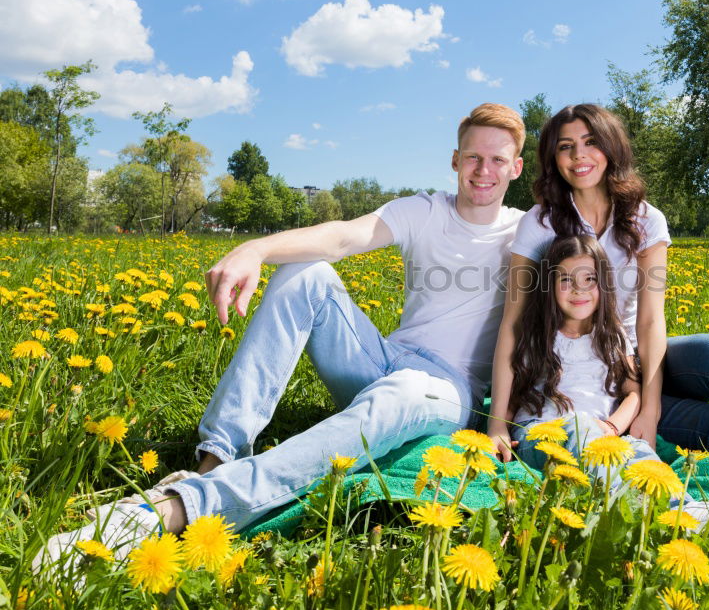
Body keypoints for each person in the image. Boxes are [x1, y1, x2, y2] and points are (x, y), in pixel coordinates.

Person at [34, 103, 527, 572]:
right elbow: (342, 236)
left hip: (446, 389)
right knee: (303, 272)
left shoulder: (527, 231)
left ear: (517, 168)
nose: (483, 170)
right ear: (455, 161)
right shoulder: (424, 210)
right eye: (473, 157)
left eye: (497, 160)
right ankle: (216, 458)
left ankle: (178, 509)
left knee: (408, 390)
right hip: (385, 357)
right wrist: (255, 248)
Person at [488, 103, 709, 464]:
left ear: (611, 147)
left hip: (630, 360)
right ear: (553, 158)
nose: (579, 155)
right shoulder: (541, 222)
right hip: (574, 377)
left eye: (591, 142)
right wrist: (497, 424)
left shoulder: (645, 219)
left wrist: (650, 409)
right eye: (565, 147)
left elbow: (649, 321)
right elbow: (515, 322)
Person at [507, 234, 655, 483]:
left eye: (589, 279)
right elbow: (516, 388)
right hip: (541, 433)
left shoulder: (611, 334)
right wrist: (500, 429)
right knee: (579, 427)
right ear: (550, 284)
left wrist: (613, 427)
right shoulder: (538, 334)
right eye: (566, 279)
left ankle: (688, 511)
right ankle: (616, 498)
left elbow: (633, 392)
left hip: (598, 433)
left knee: (639, 453)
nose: (579, 289)